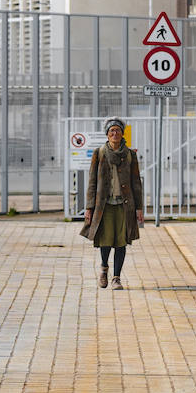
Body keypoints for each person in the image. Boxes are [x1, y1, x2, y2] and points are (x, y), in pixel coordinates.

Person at [80, 118, 144, 289]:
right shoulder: (99, 153)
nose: (114, 134)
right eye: (111, 131)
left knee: (121, 242)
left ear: (123, 133)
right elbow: (92, 181)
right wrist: (89, 207)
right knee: (106, 241)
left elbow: (136, 183)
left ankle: (116, 278)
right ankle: (104, 269)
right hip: (105, 205)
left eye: (117, 130)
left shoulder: (130, 155)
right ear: (107, 134)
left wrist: (139, 207)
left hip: (124, 205)